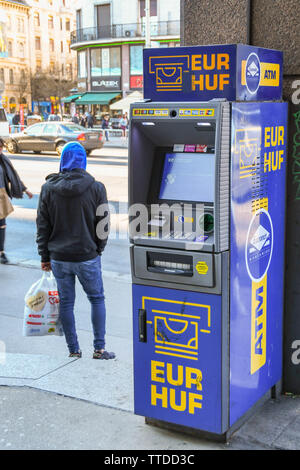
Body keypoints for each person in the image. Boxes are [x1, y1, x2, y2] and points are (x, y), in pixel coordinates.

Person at [36, 142, 115, 360]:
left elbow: (43, 225)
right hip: (87, 255)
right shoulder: (96, 188)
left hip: (59, 258)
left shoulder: (48, 188)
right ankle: (99, 349)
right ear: (83, 161)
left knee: (67, 303)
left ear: (62, 161)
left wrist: (44, 256)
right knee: (97, 298)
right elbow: (104, 225)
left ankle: (74, 350)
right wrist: (98, 249)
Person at [0, 138, 33, 264]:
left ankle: (1, 252)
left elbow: (13, 175)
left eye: (1, 147)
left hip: (1, 195)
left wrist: (25, 189)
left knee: (2, 225)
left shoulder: (3, 160)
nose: (0, 150)